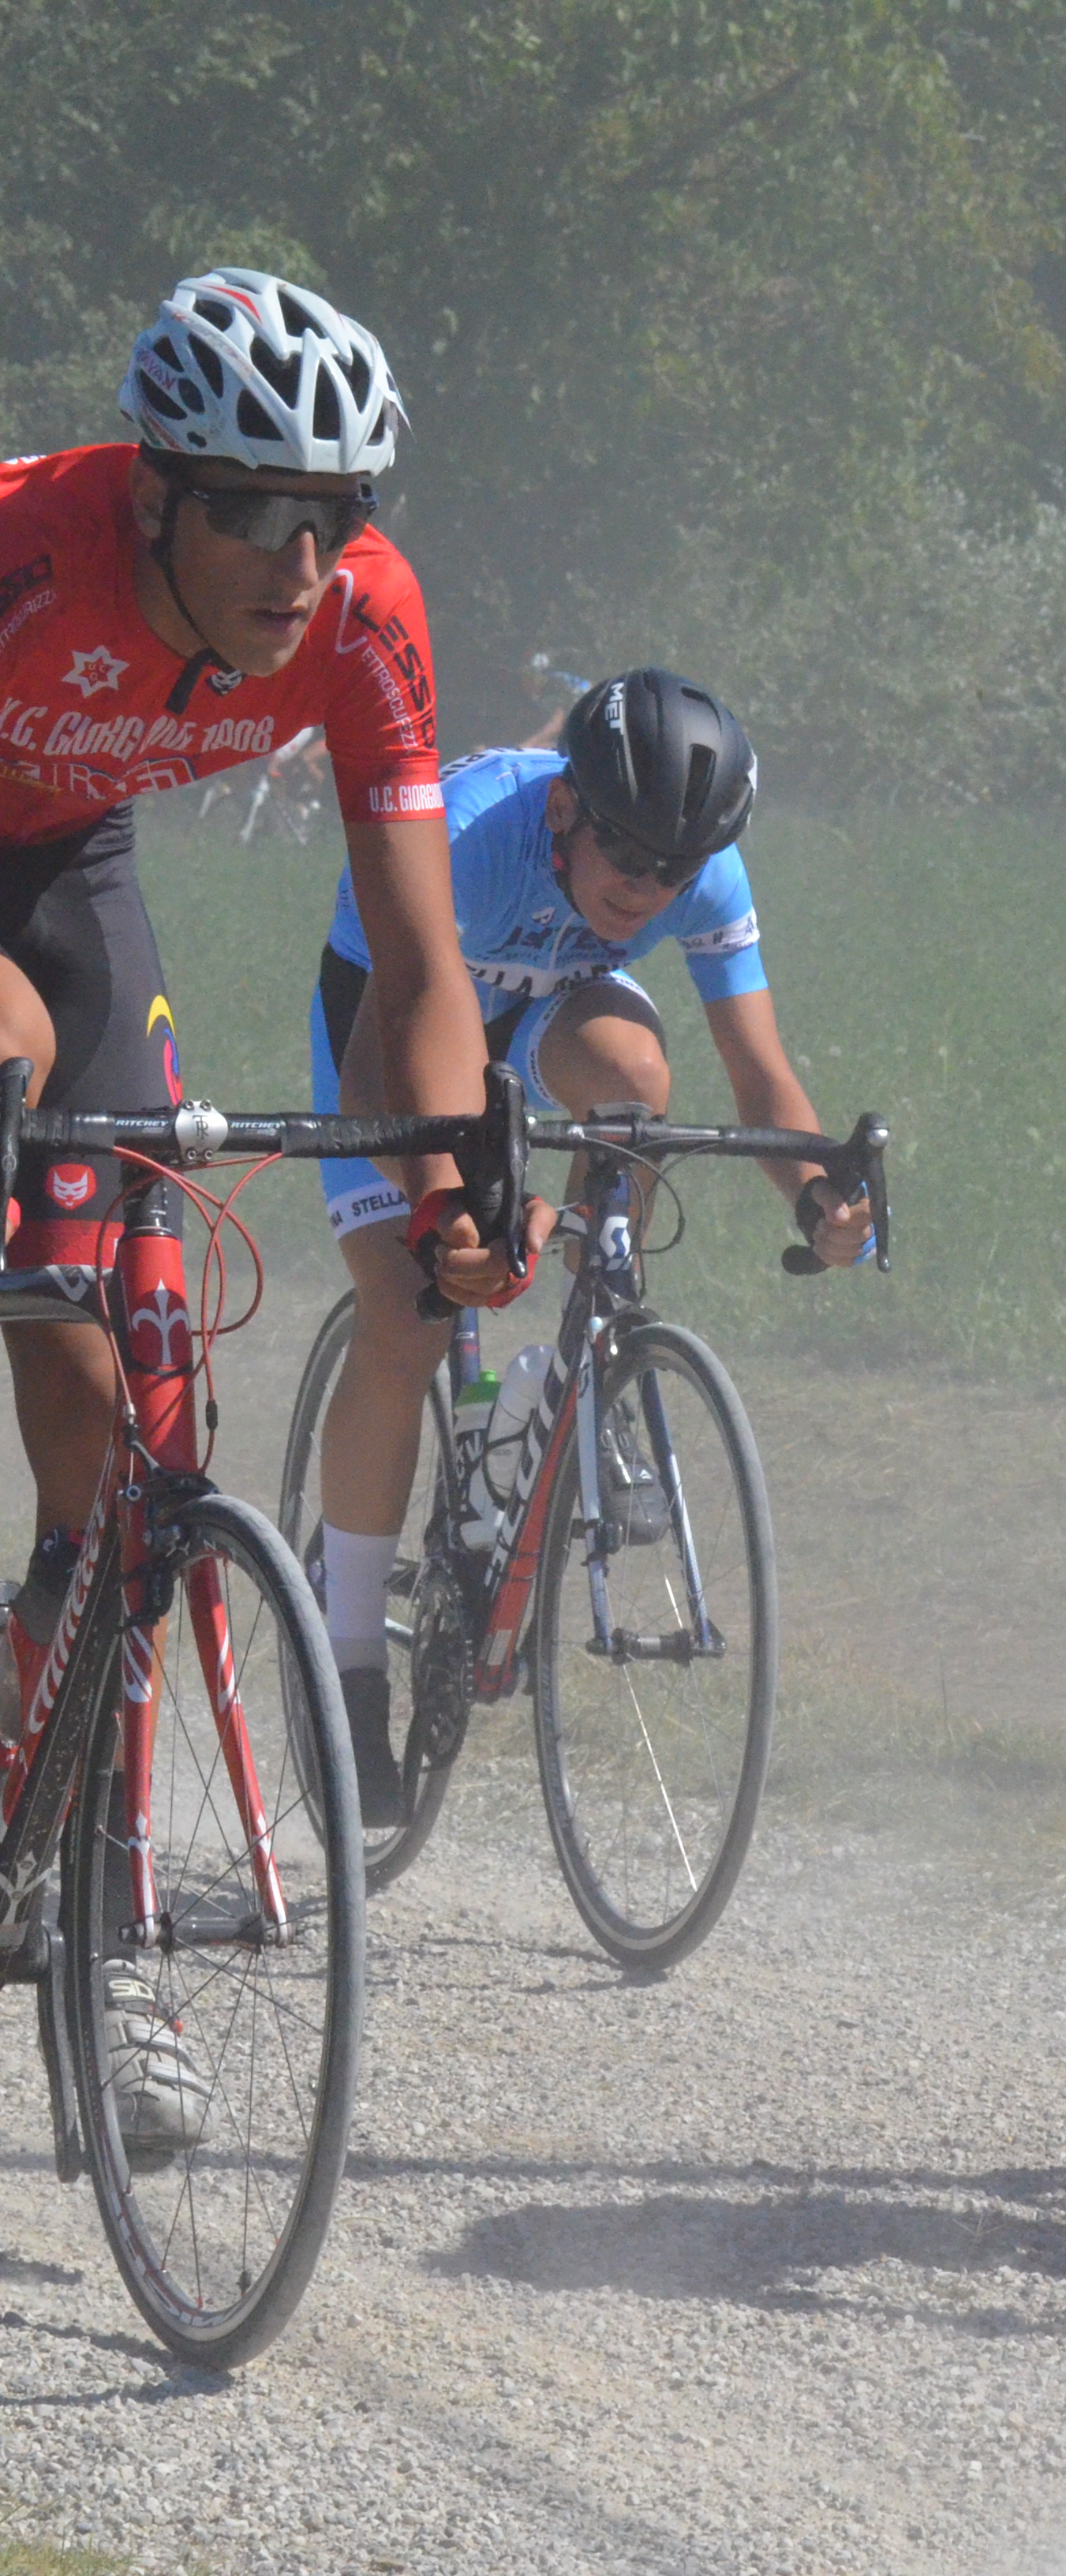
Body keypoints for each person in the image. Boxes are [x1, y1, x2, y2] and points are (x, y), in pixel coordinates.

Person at [0, 268, 504, 2151]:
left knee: (122, 1426)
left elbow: (418, 964)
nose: (302, 561)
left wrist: (451, 1180)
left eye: (337, 511)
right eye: (253, 510)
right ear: (153, 495)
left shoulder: (364, 616)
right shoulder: (25, 559)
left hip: (66, 867)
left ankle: (102, 1926)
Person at [302, 669, 870, 1825]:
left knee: (633, 1074)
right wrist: (444, 1211)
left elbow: (758, 1071)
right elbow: (378, 1077)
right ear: (565, 809)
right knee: (409, 1315)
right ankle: (346, 1650)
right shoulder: (467, 837)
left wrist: (821, 1197)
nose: (648, 888)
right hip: (395, 1016)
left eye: (675, 869)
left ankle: (587, 1346)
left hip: (544, 1009)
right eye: (629, 856)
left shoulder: (700, 872)